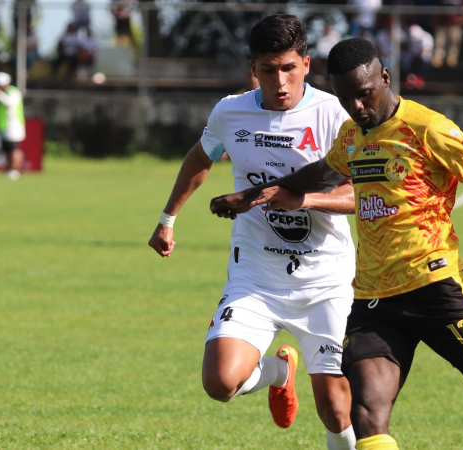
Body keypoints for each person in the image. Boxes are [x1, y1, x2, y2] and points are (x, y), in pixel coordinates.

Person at [209, 37, 463, 450]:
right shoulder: (352, 136)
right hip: (374, 299)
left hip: (436, 288)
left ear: (386, 77)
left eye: (365, 95)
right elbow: (320, 173)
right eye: (346, 99)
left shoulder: (428, 128)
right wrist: (251, 196)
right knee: (368, 415)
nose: (357, 107)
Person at [147, 14, 357, 450]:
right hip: (256, 277)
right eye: (268, 70)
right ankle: (279, 372)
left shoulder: (334, 115)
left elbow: (360, 194)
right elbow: (201, 158)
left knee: (336, 408)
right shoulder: (231, 111)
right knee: (220, 382)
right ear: (253, 69)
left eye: (288, 68)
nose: (279, 81)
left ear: (306, 63)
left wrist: (301, 199)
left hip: (326, 281)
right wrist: (168, 219)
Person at [0, 72, 26, 180]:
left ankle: (16, 169)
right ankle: (9, 168)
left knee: (14, 148)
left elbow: (9, 103)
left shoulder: (13, 92)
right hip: (4, 126)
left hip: (13, 125)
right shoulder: (3, 93)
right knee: (7, 149)